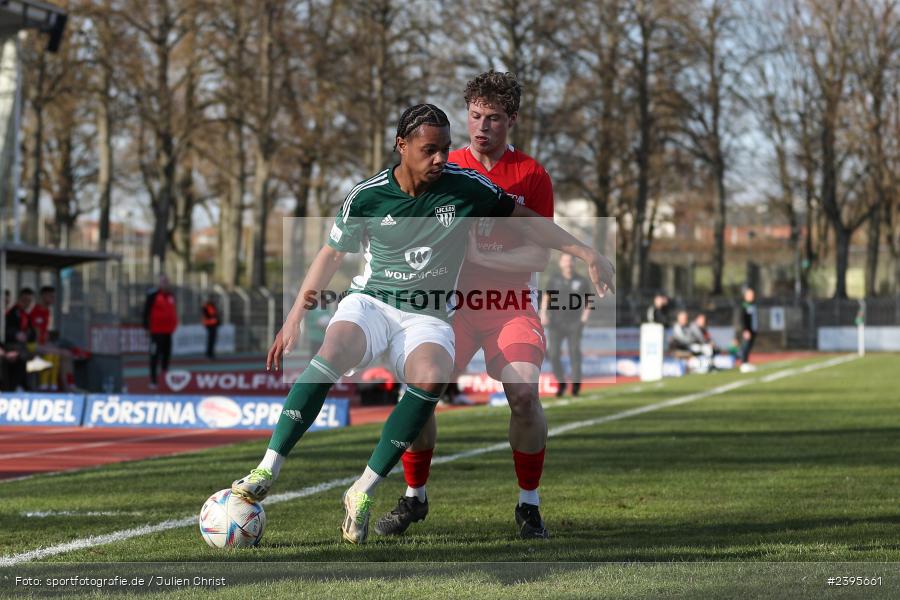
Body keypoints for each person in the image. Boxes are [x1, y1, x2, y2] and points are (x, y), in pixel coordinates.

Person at [229, 103, 615, 545]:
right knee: (332, 351)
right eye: (430, 150)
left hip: (429, 314)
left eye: (446, 149)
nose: (440, 159)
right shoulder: (367, 195)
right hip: (372, 302)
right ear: (402, 146)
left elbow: (530, 223)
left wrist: (586, 252)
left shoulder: (466, 186)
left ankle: (362, 490)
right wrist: (295, 314)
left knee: (431, 378)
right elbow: (331, 254)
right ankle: (267, 469)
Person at [376, 71, 557, 540]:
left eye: (492, 118)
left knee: (524, 394)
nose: (481, 126)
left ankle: (529, 505)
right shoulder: (444, 164)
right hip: (448, 305)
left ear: (511, 119)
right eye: (475, 116)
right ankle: (414, 496)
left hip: (509, 304)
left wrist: (481, 256)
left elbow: (539, 255)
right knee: (419, 395)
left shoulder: (532, 175)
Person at [543, 253, 592, 398]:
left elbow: (588, 300)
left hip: (574, 323)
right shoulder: (554, 279)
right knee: (553, 354)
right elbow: (546, 297)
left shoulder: (582, 281)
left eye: (570, 260)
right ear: (560, 263)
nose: (568, 263)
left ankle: (575, 387)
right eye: (565, 260)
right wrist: (543, 313)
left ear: (574, 263)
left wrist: (584, 318)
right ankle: (561, 382)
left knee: (574, 353)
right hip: (555, 323)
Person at [143, 275, 178, 389]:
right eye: (163, 282)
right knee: (155, 355)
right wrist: (146, 328)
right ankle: (153, 380)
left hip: (168, 331)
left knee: (166, 354)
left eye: (167, 282)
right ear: (159, 283)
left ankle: (165, 377)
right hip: (156, 331)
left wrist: (174, 324)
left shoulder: (171, 295)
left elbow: (173, 311)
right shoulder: (153, 295)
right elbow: (146, 312)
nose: (165, 284)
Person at [5, 288, 35, 390]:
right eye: (25, 300)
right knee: (20, 355)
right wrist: (15, 334)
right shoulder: (11, 313)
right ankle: (16, 387)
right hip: (10, 346)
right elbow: (6, 332)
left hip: (19, 346)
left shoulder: (25, 314)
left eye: (29, 301)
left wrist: (28, 335)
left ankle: (21, 386)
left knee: (26, 354)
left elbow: (32, 333)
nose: (27, 303)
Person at [739, 287, 758, 373]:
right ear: (746, 295)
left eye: (753, 294)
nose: (752, 296)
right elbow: (743, 319)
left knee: (749, 346)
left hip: (753, 329)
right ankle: (743, 363)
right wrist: (745, 330)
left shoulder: (752, 304)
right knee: (745, 346)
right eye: (750, 294)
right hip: (747, 330)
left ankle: (746, 362)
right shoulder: (744, 305)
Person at [201, 295, 220, 360]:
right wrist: (213, 317)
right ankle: (209, 353)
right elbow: (208, 315)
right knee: (210, 340)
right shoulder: (205, 306)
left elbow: (215, 315)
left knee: (213, 340)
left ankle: (211, 353)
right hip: (209, 325)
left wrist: (217, 321)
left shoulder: (212, 306)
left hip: (214, 325)